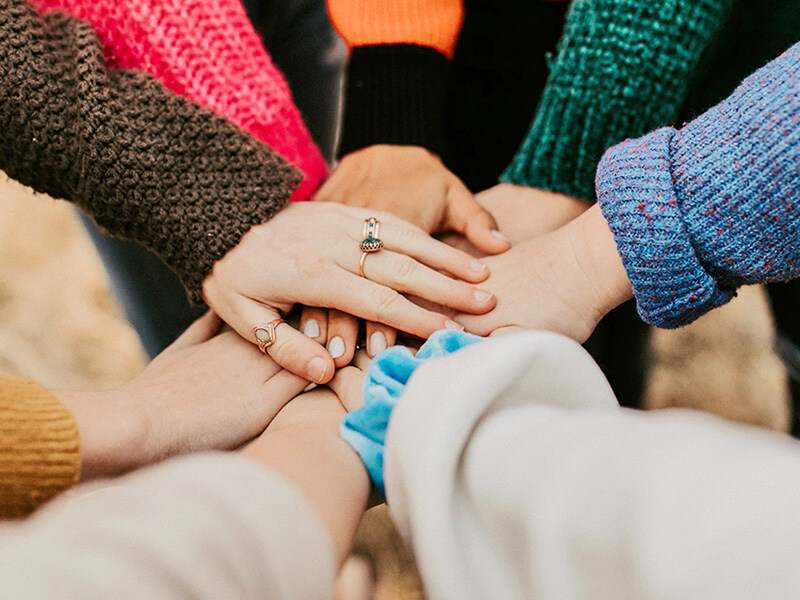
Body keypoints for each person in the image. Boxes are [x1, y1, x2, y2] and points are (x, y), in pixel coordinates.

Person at [1, 0, 496, 387]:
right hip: (103, 60)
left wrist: (394, 99)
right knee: (228, 352)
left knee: (314, 272)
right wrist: (205, 200)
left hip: (295, 14)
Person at [318, 0, 736, 405]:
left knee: (592, 311)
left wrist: (563, 182)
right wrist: (393, 94)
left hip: (671, 39)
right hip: (472, 40)